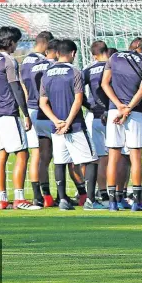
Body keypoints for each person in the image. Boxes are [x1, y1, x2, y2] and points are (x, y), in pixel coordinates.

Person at [39, 39, 101, 211]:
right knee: (91, 160)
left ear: (57, 53)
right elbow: (78, 100)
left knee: (60, 162)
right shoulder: (74, 72)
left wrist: (56, 121)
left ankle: (63, 200)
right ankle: (90, 201)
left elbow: (43, 102)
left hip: (56, 127)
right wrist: (67, 122)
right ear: (73, 54)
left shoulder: (47, 73)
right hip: (74, 126)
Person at [0, 26, 40, 210]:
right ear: (10, 42)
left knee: (1, 156)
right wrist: (25, 113)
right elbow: (16, 88)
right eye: (16, 41)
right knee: (22, 153)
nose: (17, 45)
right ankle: (19, 199)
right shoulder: (9, 61)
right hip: (8, 113)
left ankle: (2, 199)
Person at [101, 35, 142, 212]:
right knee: (136, 157)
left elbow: (105, 83)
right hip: (134, 113)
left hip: (113, 111)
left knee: (113, 157)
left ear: (137, 44)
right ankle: (137, 202)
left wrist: (118, 106)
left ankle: (112, 203)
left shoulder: (115, 57)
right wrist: (128, 108)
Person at [20, 31, 54, 207]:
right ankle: (51, 195)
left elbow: (23, 87)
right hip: (47, 111)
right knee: (51, 155)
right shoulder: (45, 62)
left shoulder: (24, 61)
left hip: (31, 110)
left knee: (38, 154)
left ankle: (39, 196)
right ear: (47, 44)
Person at [83, 40, 111, 206]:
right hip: (113, 115)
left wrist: (90, 107)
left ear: (94, 55)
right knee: (118, 157)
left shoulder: (88, 69)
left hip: (94, 117)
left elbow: (76, 90)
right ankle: (117, 194)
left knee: (100, 158)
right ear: (106, 51)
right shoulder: (113, 66)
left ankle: (103, 194)